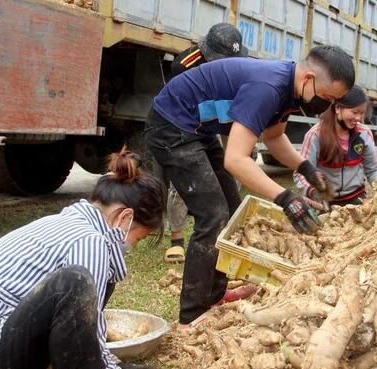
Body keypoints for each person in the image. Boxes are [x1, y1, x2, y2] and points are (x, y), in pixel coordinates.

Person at [145, 45, 355, 330]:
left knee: (231, 210)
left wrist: (306, 169)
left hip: (197, 128)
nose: (326, 106)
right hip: (172, 124)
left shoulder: (291, 90)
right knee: (213, 215)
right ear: (308, 78)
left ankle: (215, 295)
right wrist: (285, 199)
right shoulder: (267, 88)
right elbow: (236, 159)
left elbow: (274, 137)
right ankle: (190, 316)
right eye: (327, 97)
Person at [0, 149, 171, 369]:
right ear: (125, 217)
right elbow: (88, 338)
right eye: (138, 238)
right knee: (74, 283)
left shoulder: (69, 224)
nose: (131, 247)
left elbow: (87, 337)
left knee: (82, 287)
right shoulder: (90, 241)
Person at [164, 22, 248, 262]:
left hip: (221, 119)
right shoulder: (184, 65)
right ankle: (176, 238)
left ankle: (230, 233)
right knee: (182, 180)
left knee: (231, 171)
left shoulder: (239, 64)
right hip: (186, 122)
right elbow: (180, 103)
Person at [294, 85, 377, 206]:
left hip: (357, 201)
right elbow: (300, 173)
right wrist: (313, 192)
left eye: (361, 113)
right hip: (325, 203)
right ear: (337, 108)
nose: (358, 118)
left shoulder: (364, 134)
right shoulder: (315, 135)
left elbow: (374, 170)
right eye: (354, 112)